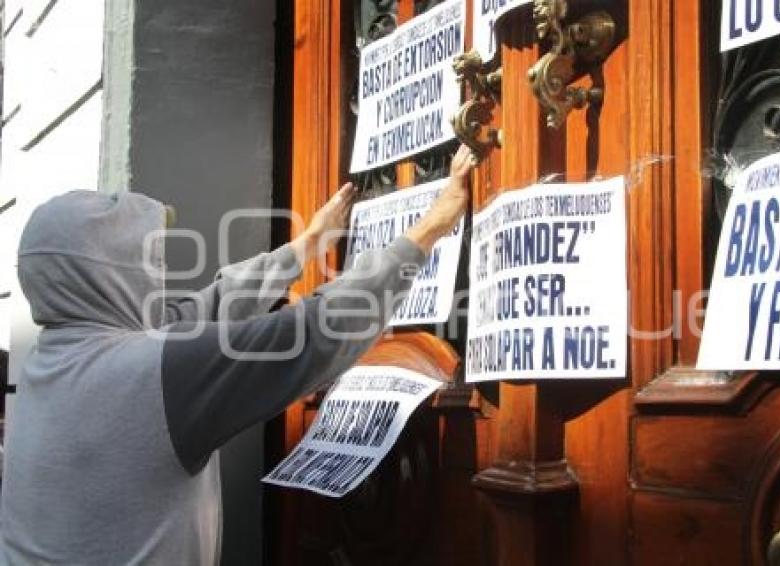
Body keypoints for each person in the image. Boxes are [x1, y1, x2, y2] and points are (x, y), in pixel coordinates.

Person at [0, 145, 477, 565]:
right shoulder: (150, 376)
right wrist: (430, 229)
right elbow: (313, 331)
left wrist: (305, 248)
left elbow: (204, 310)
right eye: (147, 261)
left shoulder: (47, 366)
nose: (160, 275)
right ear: (107, 276)